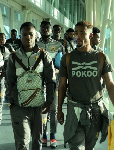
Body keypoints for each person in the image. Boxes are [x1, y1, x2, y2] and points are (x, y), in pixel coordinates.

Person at [57, 20, 114, 149]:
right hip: (74, 111)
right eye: (76, 33)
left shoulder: (101, 58)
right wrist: (59, 109)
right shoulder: (67, 58)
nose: (78, 37)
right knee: (76, 147)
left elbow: (110, 84)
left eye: (82, 33)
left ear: (91, 36)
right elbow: (62, 85)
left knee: (89, 147)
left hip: (95, 112)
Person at [6, 22, 56, 150]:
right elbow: (9, 82)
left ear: (36, 37)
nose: (28, 37)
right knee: (22, 142)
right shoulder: (13, 58)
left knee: (37, 142)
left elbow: (51, 81)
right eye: (24, 34)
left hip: (40, 106)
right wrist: (12, 102)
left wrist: (49, 101)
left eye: (31, 34)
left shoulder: (44, 56)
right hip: (19, 107)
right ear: (20, 37)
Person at [37, 20, 64, 148]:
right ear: (40, 29)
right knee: (43, 110)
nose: (45, 30)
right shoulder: (36, 45)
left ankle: (53, 136)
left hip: (54, 82)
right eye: (43, 28)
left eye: (47, 28)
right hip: (39, 82)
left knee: (53, 109)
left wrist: (58, 70)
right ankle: (43, 136)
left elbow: (63, 64)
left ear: (50, 29)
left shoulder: (58, 45)